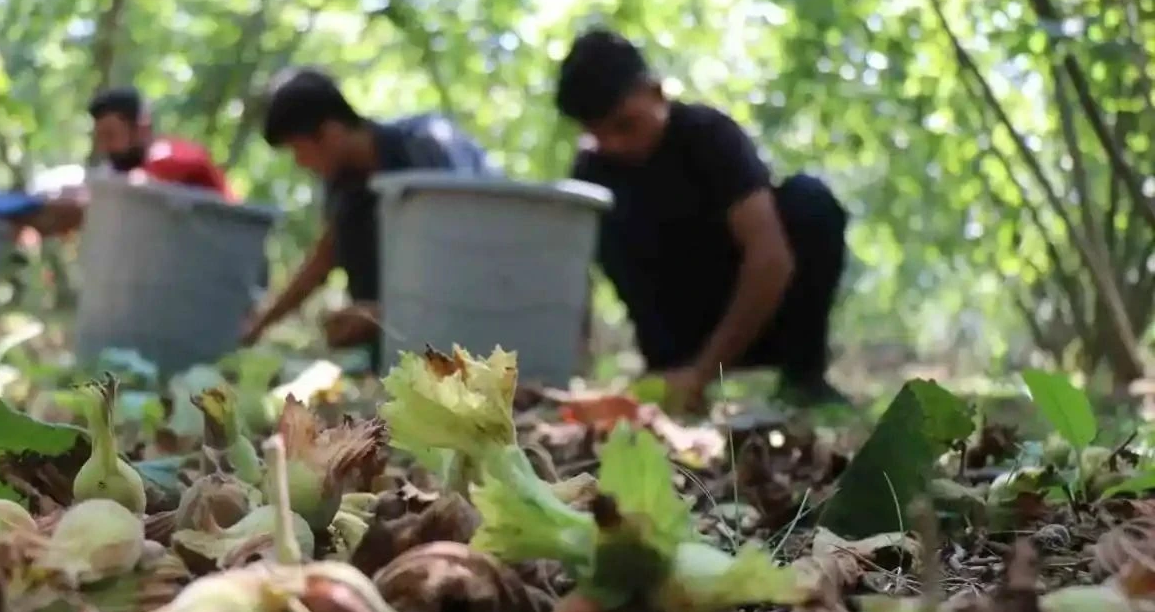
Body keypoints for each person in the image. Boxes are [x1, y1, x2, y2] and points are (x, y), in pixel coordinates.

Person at [556, 29, 850, 411]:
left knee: (810, 201)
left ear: (656, 93)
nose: (614, 145)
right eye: (598, 134)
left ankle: (804, 379)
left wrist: (704, 372)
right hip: (675, 338)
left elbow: (771, 257)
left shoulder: (710, 137)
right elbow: (575, 279)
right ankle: (670, 377)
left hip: (758, 320)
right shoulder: (593, 172)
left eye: (626, 125)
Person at [242, 67, 494, 357]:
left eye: (298, 150)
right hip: (396, 357)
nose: (300, 163)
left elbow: (475, 258)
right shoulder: (342, 186)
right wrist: (258, 326)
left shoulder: (425, 149)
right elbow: (323, 259)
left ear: (330, 133)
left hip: (462, 348)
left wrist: (386, 315)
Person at [27, 86, 233, 237]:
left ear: (141, 128)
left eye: (111, 135)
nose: (104, 147)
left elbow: (133, 188)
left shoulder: (174, 156)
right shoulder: (122, 167)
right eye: (100, 138)